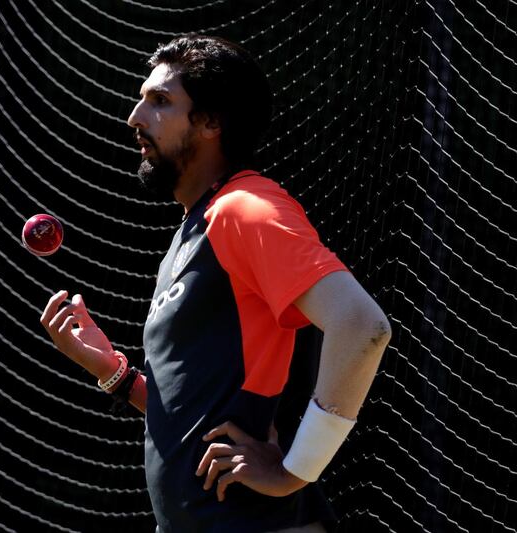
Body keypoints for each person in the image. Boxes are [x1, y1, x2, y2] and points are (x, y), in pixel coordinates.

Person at [40, 35, 391, 533]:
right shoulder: (194, 230)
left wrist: (294, 471)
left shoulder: (243, 208)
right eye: (142, 99)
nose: (135, 117)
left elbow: (363, 326)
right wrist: (113, 372)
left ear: (211, 122)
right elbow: (197, 415)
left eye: (160, 101)